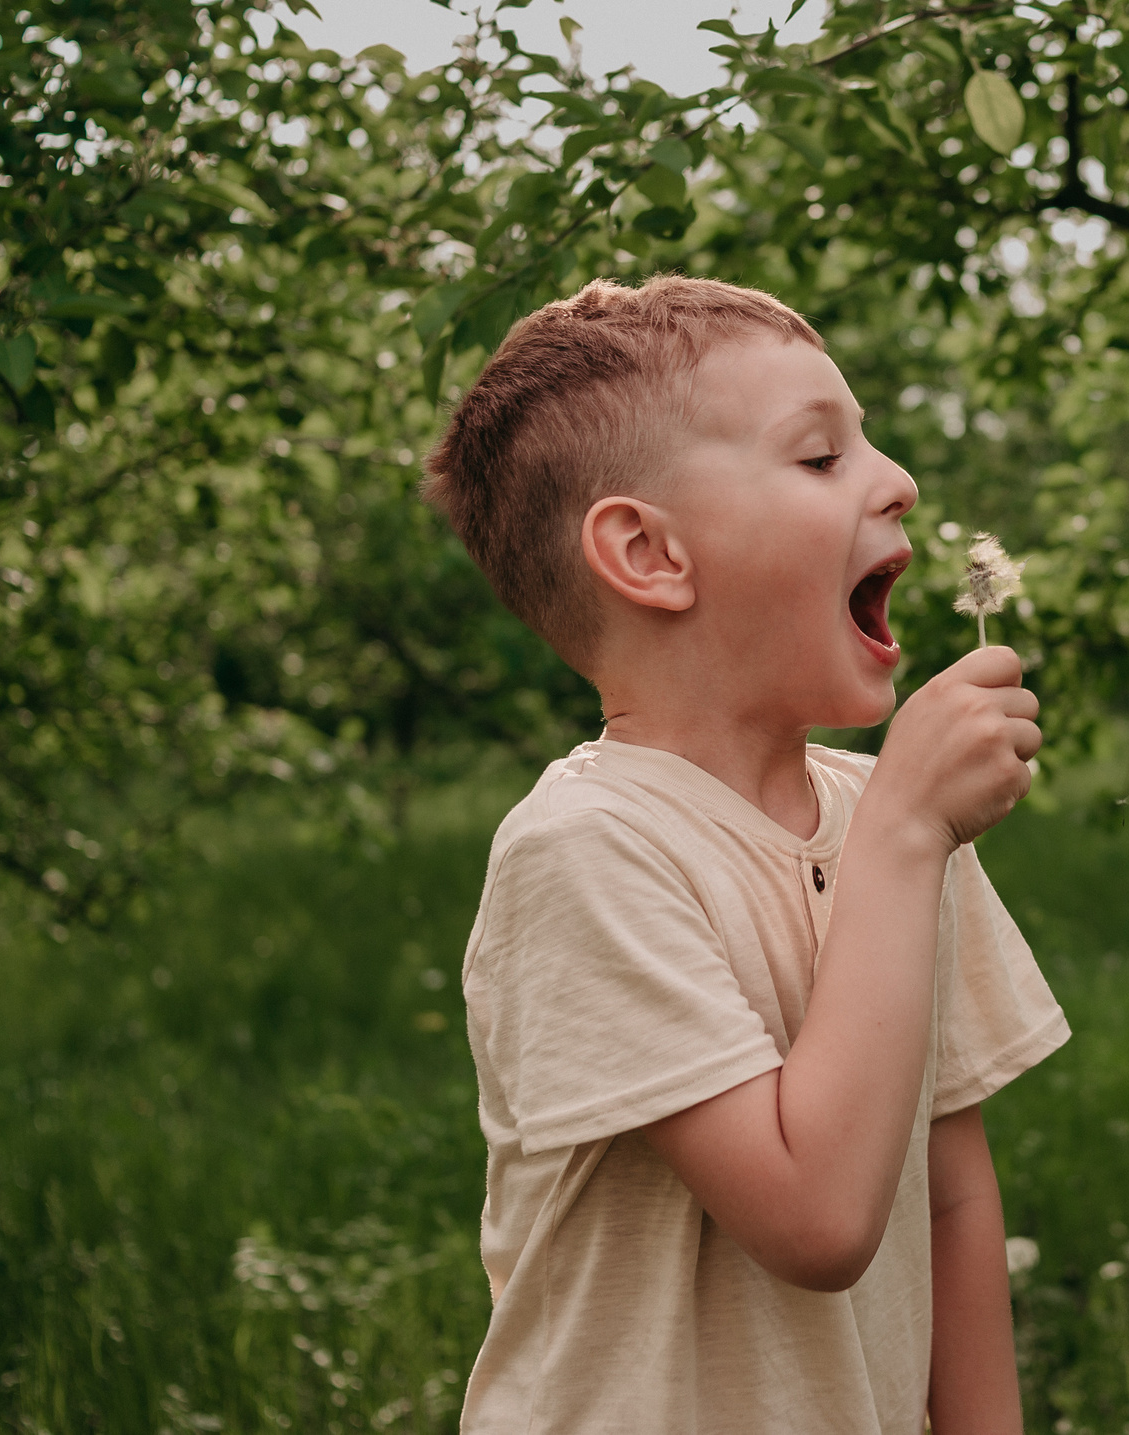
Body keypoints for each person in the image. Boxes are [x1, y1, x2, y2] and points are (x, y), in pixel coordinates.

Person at [421, 275, 1067, 1434]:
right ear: (649, 553)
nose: (899, 479)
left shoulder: (888, 817)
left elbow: (953, 1198)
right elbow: (813, 1223)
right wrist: (908, 836)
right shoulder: (588, 853)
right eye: (820, 459)